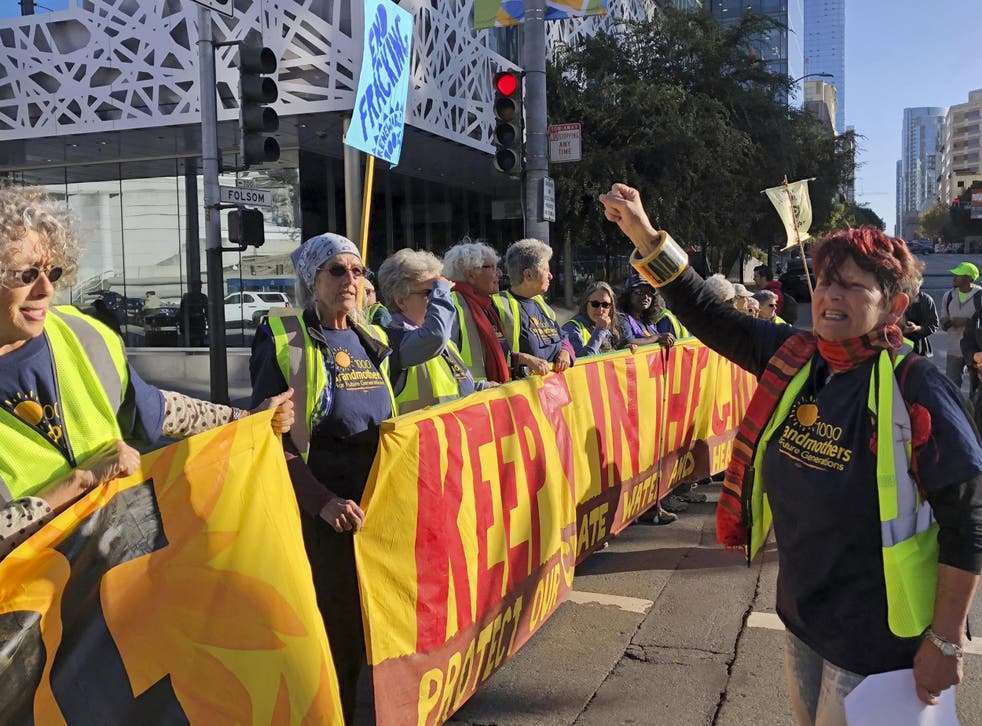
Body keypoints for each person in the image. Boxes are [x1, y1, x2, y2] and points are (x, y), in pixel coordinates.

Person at [601, 182, 982, 722]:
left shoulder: (917, 388)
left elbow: (968, 519)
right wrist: (642, 232)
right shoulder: (796, 357)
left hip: (881, 641)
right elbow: (709, 314)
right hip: (804, 616)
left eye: (854, 287)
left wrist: (946, 642)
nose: (832, 296)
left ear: (895, 305)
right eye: (826, 282)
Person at [0, 187, 294, 560]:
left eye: (51, 271)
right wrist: (79, 481)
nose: (46, 289)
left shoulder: (82, 336)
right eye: (25, 275)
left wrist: (247, 420)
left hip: (115, 581)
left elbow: (159, 408)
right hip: (26, 607)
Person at [249, 233, 394, 722]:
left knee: (368, 627)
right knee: (335, 634)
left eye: (358, 270)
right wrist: (322, 502)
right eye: (337, 270)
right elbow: (269, 437)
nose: (351, 280)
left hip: (373, 512)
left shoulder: (371, 336)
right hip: (320, 519)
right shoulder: (285, 337)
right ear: (312, 279)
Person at [377, 248, 487, 415]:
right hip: (418, 440)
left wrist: (486, 388)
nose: (438, 297)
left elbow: (455, 390)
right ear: (401, 301)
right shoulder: (396, 342)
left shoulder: (446, 344)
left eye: (439, 292)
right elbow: (435, 335)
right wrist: (442, 288)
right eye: (431, 292)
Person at [493, 238, 575, 377]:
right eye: (546, 270)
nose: (551, 275)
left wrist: (566, 352)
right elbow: (492, 353)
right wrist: (522, 359)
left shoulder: (542, 305)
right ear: (528, 275)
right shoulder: (498, 305)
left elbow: (563, 337)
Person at [442, 239, 512, 384]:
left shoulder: (484, 305)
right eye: (492, 267)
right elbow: (443, 367)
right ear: (471, 275)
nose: (499, 273)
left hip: (485, 399)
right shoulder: (451, 307)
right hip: (470, 401)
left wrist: (518, 359)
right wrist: (480, 387)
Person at [940, 262, 981, 391]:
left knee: (976, 389)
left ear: (969, 278)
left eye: (958, 275)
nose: (954, 277)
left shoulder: (980, 296)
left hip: (975, 350)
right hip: (954, 348)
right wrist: (945, 323)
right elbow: (943, 317)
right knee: (951, 386)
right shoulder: (949, 295)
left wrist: (965, 322)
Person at [616, 272, 683, 348]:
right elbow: (627, 341)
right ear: (628, 295)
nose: (645, 297)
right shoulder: (621, 317)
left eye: (649, 293)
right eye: (639, 292)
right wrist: (657, 337)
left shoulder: (648, 320)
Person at [561, 281, 621, 357]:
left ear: (611, 307)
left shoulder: (609, 327)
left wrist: (626, 350)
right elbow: (583, 361)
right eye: (595, 304)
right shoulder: (572, 328)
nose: (600, 310)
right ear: (586, 304)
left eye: (605, 305)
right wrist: (599, 331)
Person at [903, 277, 940, 358]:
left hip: (919, 347)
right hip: (899, 346)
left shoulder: (926, 300)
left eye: (914, 285)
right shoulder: (898, 299)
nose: (911, 288)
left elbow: (933, 324)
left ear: (919, 285)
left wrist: (917, 328)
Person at [178, 280, 208, 346]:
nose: (199, 288)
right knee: (196, 338)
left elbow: (207, 311)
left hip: (196, 320)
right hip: (194, 320)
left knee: (198, 338)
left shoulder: (188, 297)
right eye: (199, 287)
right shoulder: (202, 297)